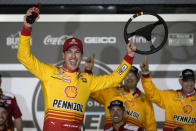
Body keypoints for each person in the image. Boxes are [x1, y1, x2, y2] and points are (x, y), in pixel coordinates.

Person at [17, 7, 136, 131]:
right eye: (69, 51)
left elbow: (116, 78)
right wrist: (27, 27)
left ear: (81, 56)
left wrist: (129, 57)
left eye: (77, 52)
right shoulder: (49, 72)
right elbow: (24, 57)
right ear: (63, 55)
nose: (73, 55)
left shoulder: (87, 80)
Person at [87, 62, 157, 130]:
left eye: (132, 75)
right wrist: (88, 71)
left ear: (138, 79)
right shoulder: (111, 92)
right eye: (127, 75)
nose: (129, 78)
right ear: (123, 78)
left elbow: (151, 126)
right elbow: (92, 91)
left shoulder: (145, 100)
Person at [140, 56, 196, 130]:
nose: (189, 84)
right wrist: (145, 74)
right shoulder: (170, 96)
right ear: (180, 81)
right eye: (186, 80)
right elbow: (152, 94)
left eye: (191, 80)